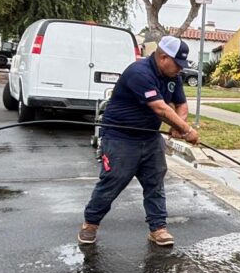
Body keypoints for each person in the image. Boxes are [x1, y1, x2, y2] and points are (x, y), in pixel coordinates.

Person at [78, 35, 200, 247]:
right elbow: (160, 108)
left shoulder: (173, 77)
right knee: (112, 183)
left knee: (155, 184)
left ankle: (158, 228)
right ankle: (90, 224)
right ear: (163, 57)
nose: (180, 69)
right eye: (177, 64)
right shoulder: (139, 72)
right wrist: (187, 130)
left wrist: (177, 124)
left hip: (150, 137)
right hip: (120, 138)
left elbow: (181, 105)